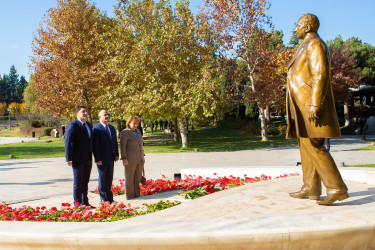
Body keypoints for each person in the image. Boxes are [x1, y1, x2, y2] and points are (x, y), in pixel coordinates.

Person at [286, 14, 348, 205]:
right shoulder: (304, 45)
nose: (295, 29)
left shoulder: (315, 44)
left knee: (315, 145)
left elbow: (321, 74)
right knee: (305, 144)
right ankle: (311, 186)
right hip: (301, 103)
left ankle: (337, 188)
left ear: (306, 27)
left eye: (297, 26)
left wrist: (314, 103)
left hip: (309, 104)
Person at [65, 106, 94, 207]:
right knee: (78, 181)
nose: (85, 113)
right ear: (77, 113)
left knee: (85, 181)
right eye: (83, 112)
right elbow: (68, 142)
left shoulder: (89, 125)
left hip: (88, 158)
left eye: (86, 111)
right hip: (77, 158)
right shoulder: (73, 125)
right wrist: (68, 158)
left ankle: (85, 202)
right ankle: (77, 203)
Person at [93, 110, 119, 203]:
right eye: (104, 115)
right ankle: (103, 199)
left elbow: (114, 142)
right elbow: (95, 146)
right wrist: (97, 159)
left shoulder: (111, 128)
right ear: (99, 117)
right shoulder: (96, 129)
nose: (107, 116)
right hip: (102, 159)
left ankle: (110, 198)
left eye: (107, 114)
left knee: (109, 178)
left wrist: (116, 154)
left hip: (111, 158)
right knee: (103, 179)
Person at [120, 116, 145, 199]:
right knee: (129, 179)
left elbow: (140, 144)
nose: (136, 125)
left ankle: (137, 195)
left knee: (137, 178)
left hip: (140, 158)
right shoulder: (125, 132)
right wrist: (124, 158)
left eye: (137, 123)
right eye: (134, 123)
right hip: (130, 160)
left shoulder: (138, 131)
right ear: (129, 123)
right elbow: (123, 147)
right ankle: (130, 197)